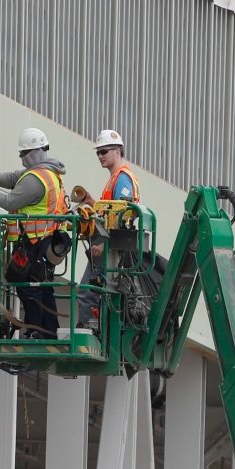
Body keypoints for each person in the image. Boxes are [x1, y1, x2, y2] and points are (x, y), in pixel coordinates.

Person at [0, 128, 69, 338]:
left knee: (29, 288)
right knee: (43, 287)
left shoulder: (36, 179)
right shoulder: (48, 174)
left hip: (33, 242)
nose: (21, 158)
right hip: (45, 241)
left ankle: (35, 331)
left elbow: (10, 201)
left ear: (33, 153)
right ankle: (49, 332)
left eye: (23, 153)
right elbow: (14, 178)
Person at [74, 129, 141, 331]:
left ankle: (85, 333)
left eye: (104, 151)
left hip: (112, 247)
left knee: (88, 291)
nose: (100, 156)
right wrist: (93, 203)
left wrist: (105, 242)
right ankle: (92, 331)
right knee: (96, 292)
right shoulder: (115, 179)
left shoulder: (122, 178)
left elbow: (124, 216)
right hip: (112, 246)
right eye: (98, 152)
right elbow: (112, 213)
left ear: (118, 151)